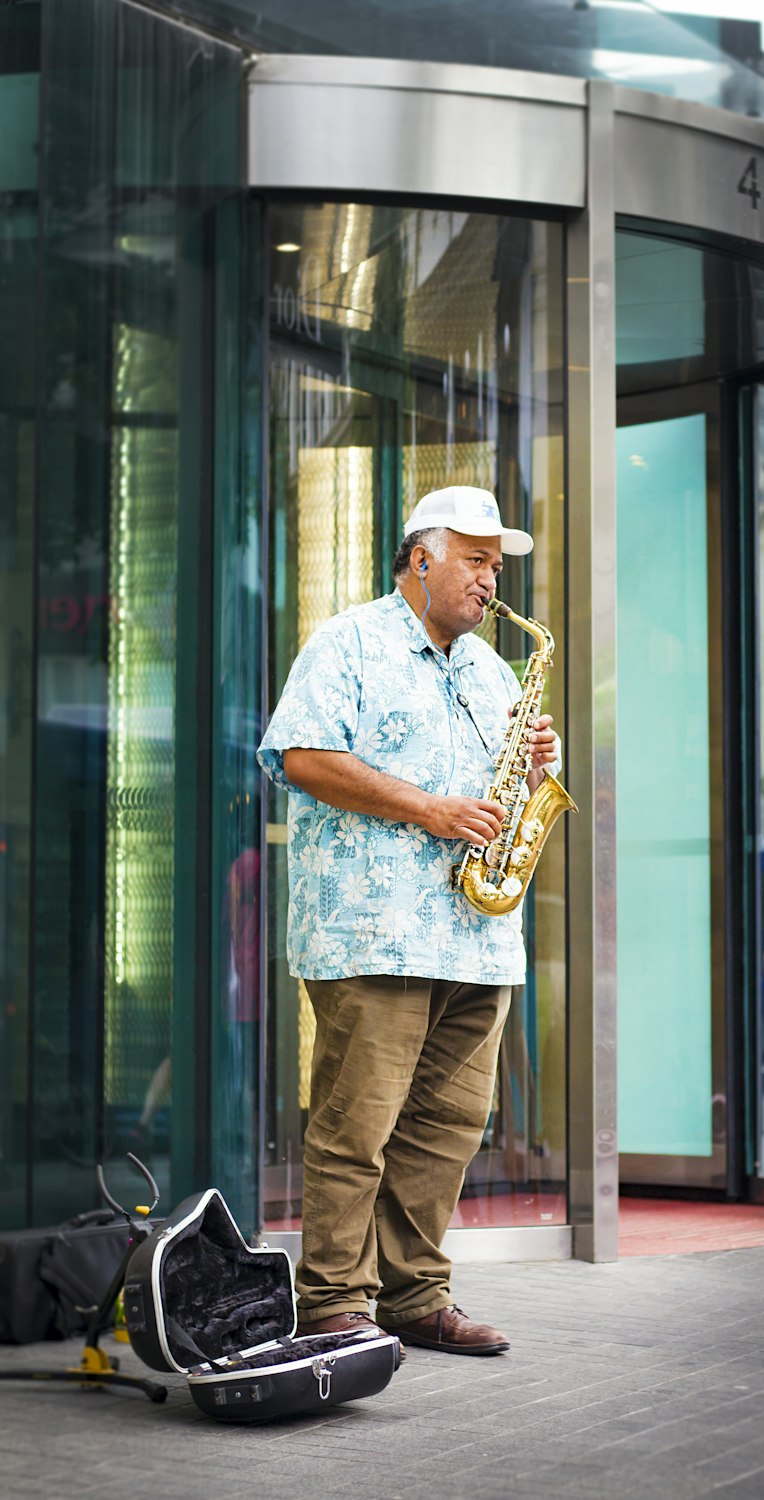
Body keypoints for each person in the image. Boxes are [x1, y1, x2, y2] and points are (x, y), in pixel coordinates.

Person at [257, 486, 559, 1355]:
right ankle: (334, 1305)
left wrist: (539, 763)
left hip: (478, 935)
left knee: (448, 1130)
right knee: (358, 1127)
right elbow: (304, 757)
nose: (490, 579)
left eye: (497, 564)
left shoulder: (495, 669)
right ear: (421, 558)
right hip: (371, 931)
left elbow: (514, 796)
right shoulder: (348, 641)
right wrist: (429, 809)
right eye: (476, 559)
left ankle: (416, 1296)